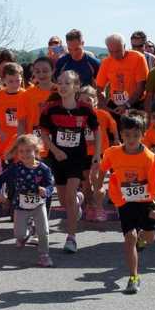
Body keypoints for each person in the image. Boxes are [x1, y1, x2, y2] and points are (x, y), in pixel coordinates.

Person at [100, 113, 155, 294]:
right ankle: (134, 277)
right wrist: (98, 190)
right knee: (130, 238)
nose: (131, 139)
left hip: (146, 203)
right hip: (125, 202)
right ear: (121, 135)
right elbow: (102, 169)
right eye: (127, 135)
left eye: (136, 135)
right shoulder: (113, 153)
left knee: (150, 237)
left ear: (142, 135)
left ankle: (143, 238)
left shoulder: (149, 157)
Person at [39, 70, 100, 253]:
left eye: (67, 83)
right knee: (66, 201)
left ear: (76, 87)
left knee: (71, 194)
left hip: (77, 157)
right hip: (57, 158)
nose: (63, 86)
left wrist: (96, 154)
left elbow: (97, 131)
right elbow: (44, 134)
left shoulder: (85, 109)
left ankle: (71, 237)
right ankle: (78, 201)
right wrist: (55, 150)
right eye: (60, 82)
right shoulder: (50, 108)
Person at [0, 134, 55, 267]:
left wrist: (46, 191)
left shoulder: (43, 169)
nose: (24, 154)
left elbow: (51, 185)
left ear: (36, 151)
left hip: (39, 205)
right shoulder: (16, 168)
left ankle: (44, 255)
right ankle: (25, 234)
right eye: (21, 151)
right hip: (20, 206)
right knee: (19, 234)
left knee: (44, 231)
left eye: (28, 150)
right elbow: (0, 179)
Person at [79, 86, 119, 222]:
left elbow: (113, 128)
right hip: (83, 154)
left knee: (97, 180)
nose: (85, 103)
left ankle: (99, 207)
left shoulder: (103, 115)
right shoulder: (76, 116)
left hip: (100, 153)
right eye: (82, 100)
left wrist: (116, 141)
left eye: (89, 100)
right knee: (85, 183)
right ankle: (90, 205)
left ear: (95, 101)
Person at [96, 33, 149, 118]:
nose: (114, 55)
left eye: (117, 51)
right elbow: (99, 87)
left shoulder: (138, 58)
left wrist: (126, 105)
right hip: (115, 104)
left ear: (124, 46)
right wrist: (102, 103)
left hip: (135, 104)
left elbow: (141, 87)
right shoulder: (106, 62)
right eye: (111, 52)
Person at [0, 63, 25, 159]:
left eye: (18, 81)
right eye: (10, 81)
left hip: (22, 141)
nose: (14, 84)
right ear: (4, 80)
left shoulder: (26, 95)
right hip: (4, 140)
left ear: (22, 79)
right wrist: (0, 133)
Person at [17, 57, 57, 144]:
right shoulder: (25, 95)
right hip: (35, 146)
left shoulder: (61, 91)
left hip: (58, 146)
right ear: (33, 72)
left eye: (45, 71)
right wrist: (19, 144)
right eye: (37, 71)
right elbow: (21, 123)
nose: (41, 75)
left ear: (53, 71)